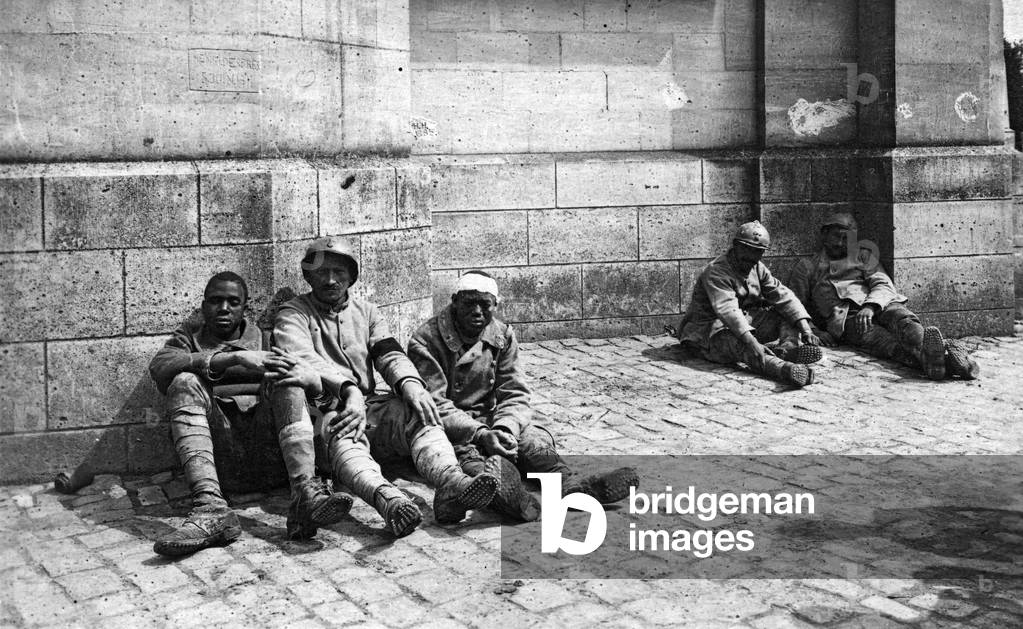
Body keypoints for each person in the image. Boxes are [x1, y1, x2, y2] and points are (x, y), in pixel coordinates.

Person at [271, 238, 499, 538]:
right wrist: (348, 391)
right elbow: (302, 357)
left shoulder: (367, 312)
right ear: (307, 276)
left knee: (420, 411)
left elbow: (390, 353)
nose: (330, 280)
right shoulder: (293, 313)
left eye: (339, 272)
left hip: (370, 407)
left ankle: (453, 483)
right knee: (343, 430)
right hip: (325, 410)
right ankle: (388, 501)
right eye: (321, 272)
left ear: (351, 276)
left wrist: (412, 385)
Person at [148, 272, 351, 556]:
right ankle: (210, 509)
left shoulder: (266, 340)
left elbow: (315, 392)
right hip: (220, 460)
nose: (223, 309)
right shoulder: (189, 339)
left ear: (245, 307)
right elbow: (160, 366)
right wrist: (233, 358)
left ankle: (305, 493)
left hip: (271, 454)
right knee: (183, 382)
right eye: (215, 301)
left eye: (233, 302)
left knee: (288, 379)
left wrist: (314, 383)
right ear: (203, 305)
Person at [407, 271, 638, 521]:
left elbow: (515, 391)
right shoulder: (426, 340)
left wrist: (506, 429)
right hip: (456, 427)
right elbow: (435, 404)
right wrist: (482, 434)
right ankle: (512, 498)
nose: (476, 312)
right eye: (468, 304)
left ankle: (571, 487)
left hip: (495, 419)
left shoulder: (502, 335)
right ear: (454, 301)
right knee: (473, 462)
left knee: (533, 445)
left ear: (495, 305)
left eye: (484, 305)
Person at [787, 211, 978, 380]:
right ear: (824, 234)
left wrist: (870, 307)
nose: (841, 243)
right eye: (837, 236)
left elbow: (883, 283)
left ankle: (935, 358)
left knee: (904, 320)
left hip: (880, 305)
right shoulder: (807, 267)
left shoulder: (863, 256)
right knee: (886, 344)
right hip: (848, 319)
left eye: (848, 239)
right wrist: (813, 331)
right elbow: (795, 304)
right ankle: (947, 362)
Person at [677, 221, 823, 387]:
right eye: (747, 249)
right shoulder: (716, 271)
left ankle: (787, 349)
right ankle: (784, 369)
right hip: (707, 332)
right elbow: (728, 311)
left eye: (758, 252)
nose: (752, 257)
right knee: (741, 345)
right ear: (735, 246)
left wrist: (805, 328)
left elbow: (782, 294)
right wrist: (752, 342)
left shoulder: (757, 267)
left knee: (785, 313)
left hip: (744, 323)